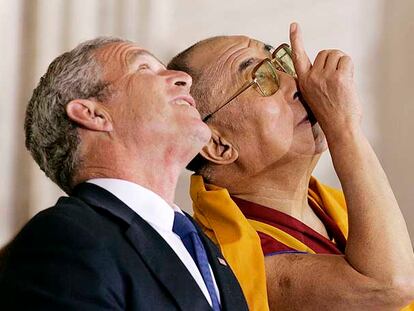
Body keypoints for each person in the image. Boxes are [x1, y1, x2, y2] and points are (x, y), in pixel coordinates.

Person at [167, 23, 414, 310]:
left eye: (280, 63)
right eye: (261, 78)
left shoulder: (331, 205)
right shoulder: (234, 259)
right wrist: (344, 127)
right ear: (218, 145)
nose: (297, 84)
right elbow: (391, 285)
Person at [0, 37, 248, 311]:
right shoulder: (62, 238)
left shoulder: (204, 244)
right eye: (144, 68)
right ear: (93, 114)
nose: (183, 78)